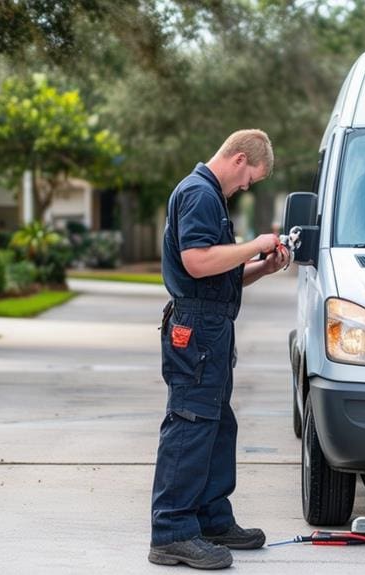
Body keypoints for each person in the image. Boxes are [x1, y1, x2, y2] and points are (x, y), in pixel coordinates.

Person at [149, 129, 287, 570]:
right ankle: (172, 532)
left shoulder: (207, 195)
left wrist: (261, 267)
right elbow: (197, 261)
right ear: (239, 158)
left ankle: (211, 519)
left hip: (210, 324)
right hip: (197, 330)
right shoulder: (200, 194)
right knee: (191, 423)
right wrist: (257, 243)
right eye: (250, 179)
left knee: (215, 424)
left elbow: (216, 274)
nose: (247, 187)